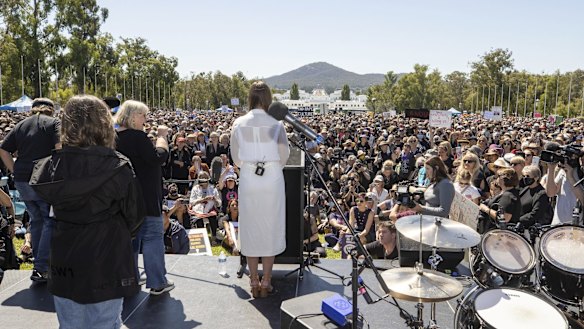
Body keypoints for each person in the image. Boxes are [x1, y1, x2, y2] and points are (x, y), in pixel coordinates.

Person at [29, 95, 143, 328]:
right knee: (105, 323)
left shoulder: (52, 166)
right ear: (104, 123)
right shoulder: (118, 166)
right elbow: (135, 216)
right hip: (105, 260)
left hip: (65, 258)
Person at [230, 81, 290, 298]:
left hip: (248, 178)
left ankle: (253, 278)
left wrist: (251, 165)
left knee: (251, 226)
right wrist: (271, 167)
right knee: (270, 226)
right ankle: (266, 280)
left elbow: (235, 157)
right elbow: (284, 155)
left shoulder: (239, 122)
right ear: (268, 98)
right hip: (272, 178)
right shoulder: (277, 123)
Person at [114, 100, 175, 296]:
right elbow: (158, 157)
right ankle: (157, 281)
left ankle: (130, 279)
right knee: (152, 238)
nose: (145, 120)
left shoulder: (114, 137)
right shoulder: (138, 137)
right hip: (146, 198)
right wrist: (162, 138)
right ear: (132, 116)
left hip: (124, 199)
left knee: (130, 241)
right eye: (143, 116)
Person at [0, 98, 60, 282]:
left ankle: (40, 266)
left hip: (22, 180)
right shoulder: (55, 123)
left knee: (37, 220)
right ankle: (41, 267)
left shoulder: (21, 125)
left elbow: (3, 150)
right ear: (51, 109)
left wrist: (14, 170)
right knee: (49, 221)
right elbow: (60, 148)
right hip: (44, 181)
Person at [478, 168, 522, 233]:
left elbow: (505, 218)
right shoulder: (506, 192)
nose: (496, 179)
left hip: (499, 234)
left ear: (503, 179)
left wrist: (486, 209)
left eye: (498, 176)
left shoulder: (507, 196)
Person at [519, 165, 552, 230]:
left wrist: (518, 219)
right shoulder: (525, 189)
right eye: (524, 176)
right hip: (521, 226)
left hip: (532, 229)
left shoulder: (541, 193)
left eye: (528, 176)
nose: (525, 178)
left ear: (536, 178)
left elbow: (535, 214)